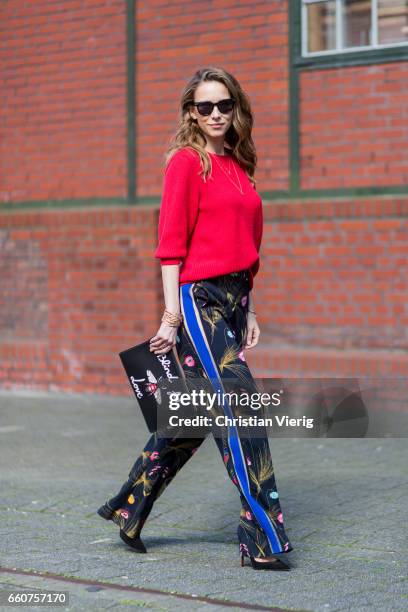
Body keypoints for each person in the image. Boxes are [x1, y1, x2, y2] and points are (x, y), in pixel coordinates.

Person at [97, 67, 293, 570]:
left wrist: (249, 307)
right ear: (190, 112)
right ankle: (263, 535)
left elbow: (246, 248)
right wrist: (169, 318)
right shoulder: (187, 163)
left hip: (232, 300)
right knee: (242, 409)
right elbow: (170, 250)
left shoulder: (240, 162)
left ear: (236, 107)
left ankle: (130, 506)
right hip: (197, 299)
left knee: (198, 414)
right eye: (204, 107)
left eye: (223, 105)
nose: (215, 115)